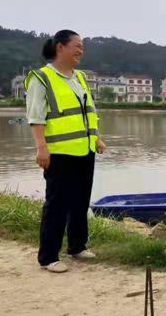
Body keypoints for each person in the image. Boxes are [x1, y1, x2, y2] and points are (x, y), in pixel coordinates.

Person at [24, 30, 106, 273]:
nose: (81, 51)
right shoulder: (42, 78)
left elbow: (86, 111)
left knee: (80, 201)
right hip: (58, 152)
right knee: (57, 204)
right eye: (77, 46)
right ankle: (49, 257)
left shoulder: (79, 77)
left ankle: (77, 246)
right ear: (60, 47)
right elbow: (36, 116)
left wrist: (97, 138)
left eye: (82, 47)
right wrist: (41, 148)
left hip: (84, 149)